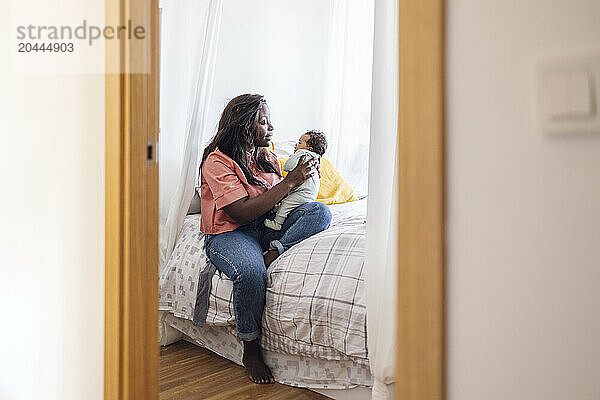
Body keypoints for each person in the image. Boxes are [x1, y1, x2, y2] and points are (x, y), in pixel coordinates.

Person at [199, 94, 332, 384]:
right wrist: (290, 182)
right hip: (231, 231)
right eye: (263, 121)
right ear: (245, 125)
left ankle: (275, 251)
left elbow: (283, 199)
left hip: (267, 228)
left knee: (320, 212)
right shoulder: (217, 162)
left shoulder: (267, 156)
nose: (271, 127)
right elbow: (240, 212)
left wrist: (306, 178)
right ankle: (251, 348)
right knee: (250, 272)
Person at [264, 130, 328, 230]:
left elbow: (287, 167)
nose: (296, 145)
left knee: (286, 204)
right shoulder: (316, 159)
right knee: (288, 201)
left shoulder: (302, 153)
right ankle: (278, 209)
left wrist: (292, 157)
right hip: (310, 195)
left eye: (299, 143)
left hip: (303, 193)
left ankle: (277, 223)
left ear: (308, 148)